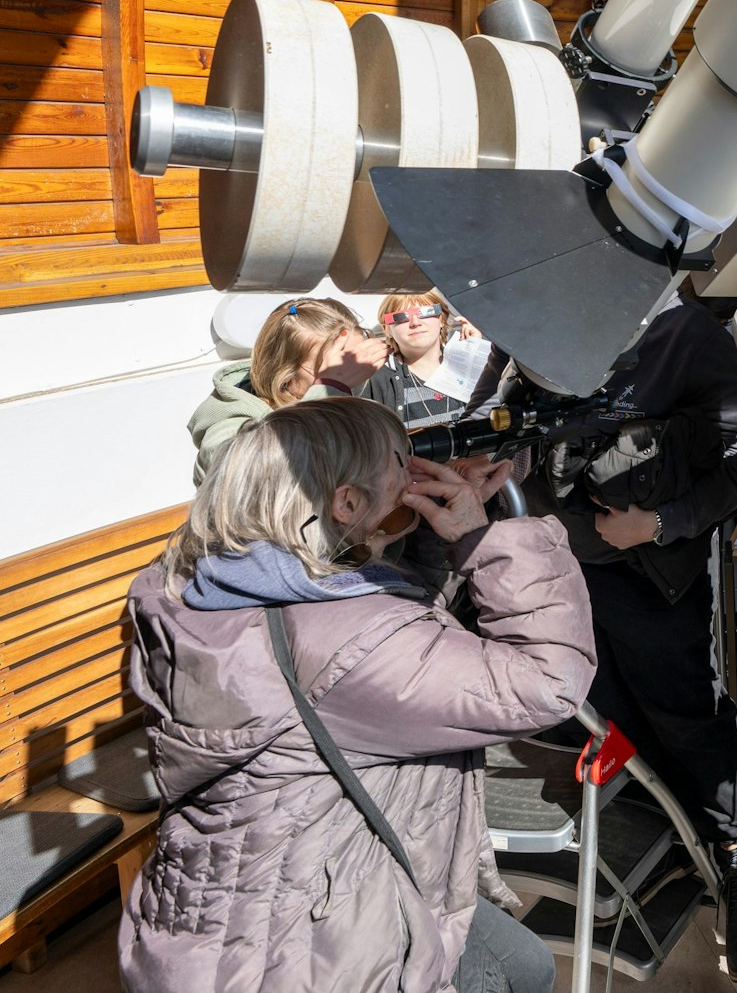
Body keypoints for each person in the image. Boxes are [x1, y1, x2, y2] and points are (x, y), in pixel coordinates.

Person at [121, 395, 596, 993]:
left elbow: (388, 626)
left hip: (218, 914)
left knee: (524, 965)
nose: (414, 473)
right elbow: (548, 683)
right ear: (347, 501)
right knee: (523, 973)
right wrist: (483, 539)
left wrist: (417, 528)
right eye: (401, 463)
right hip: (313, 947)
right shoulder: (348, 644)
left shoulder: (191, 586)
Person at [542, 288, 737, 978]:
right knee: (613, 712)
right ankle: (672, 832)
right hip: (572, 569)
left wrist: (659, 525)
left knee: (684, 716)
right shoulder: (542, 318)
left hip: (651, 572)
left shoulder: (688, 334)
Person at [189, 296, 390, 482]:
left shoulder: (338, 399)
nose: (352, 377)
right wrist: (329, 386)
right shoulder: (230, 425)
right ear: (285, 378)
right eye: (332, 368)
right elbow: (259, 479)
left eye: (354, 362)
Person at [360, 288, 492, 430]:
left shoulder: (472, 363)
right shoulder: (373, 378)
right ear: (387, 329)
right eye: (401, 317)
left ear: (441, 319)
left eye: (426, 312)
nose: (415, 322)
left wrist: (477, 357)